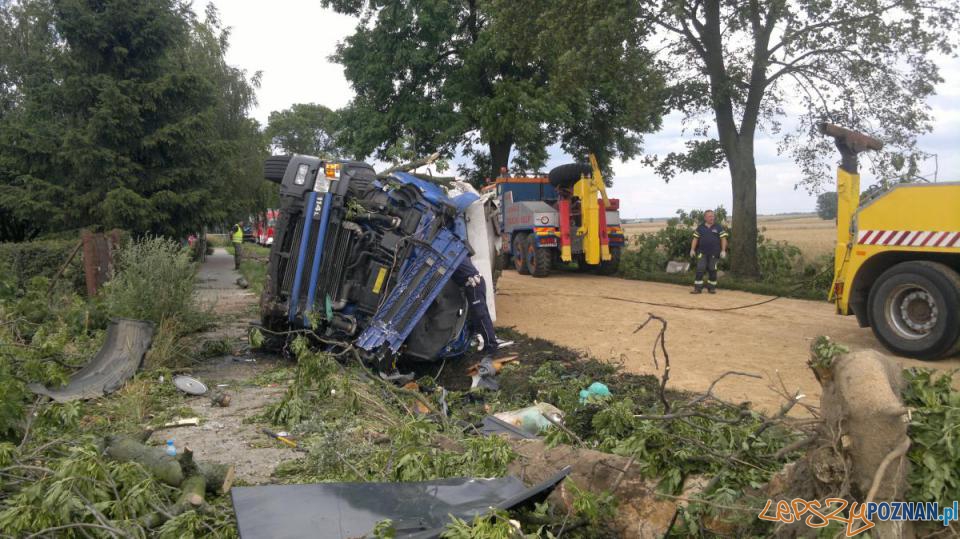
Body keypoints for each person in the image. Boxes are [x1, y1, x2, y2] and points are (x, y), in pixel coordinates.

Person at [689, 210, 728, 294]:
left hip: (714, 253)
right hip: (701, 253)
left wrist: (723, 250)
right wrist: (692, 249)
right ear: (705, 218)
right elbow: (695, 239)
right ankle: (697, 288)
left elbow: (723, 239)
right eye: (710, 216)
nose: (712, 218)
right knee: (700, 268)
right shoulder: (700, 227)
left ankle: (711, 288)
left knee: (712, 269)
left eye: (713, 216)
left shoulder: (718, 227)